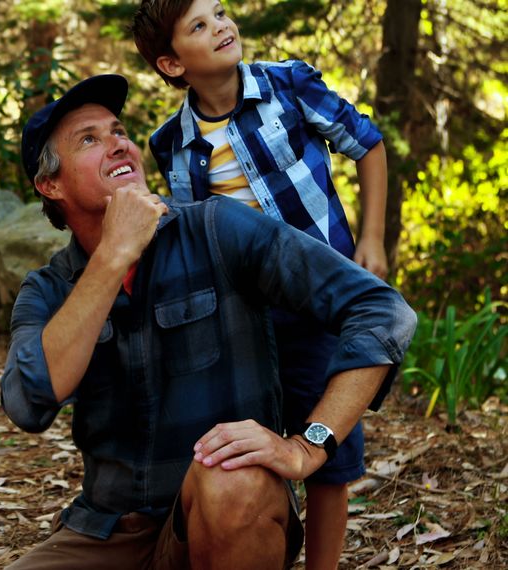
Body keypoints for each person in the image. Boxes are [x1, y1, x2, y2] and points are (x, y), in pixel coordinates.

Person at [1, 73, 415, 569]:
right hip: (109, 532)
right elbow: (30, 402)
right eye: (89, 139)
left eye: (119, 132)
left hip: (228, 517)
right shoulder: (46, 291)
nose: (118, 146)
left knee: (230, 476)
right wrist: (113, 255)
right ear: (50, 184)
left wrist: (309, 445)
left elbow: (382, 310)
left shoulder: (219, 229)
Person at [130, 2, 390, 567]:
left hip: (317, 309)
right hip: (239, 323)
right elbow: (190, 235)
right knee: (238, 449)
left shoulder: (289, 85)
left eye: (220, 12)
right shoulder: (169, 143)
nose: (222, 26)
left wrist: (372, 240)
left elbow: (367, 143)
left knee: (328, 454)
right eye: (200, 25)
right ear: (173, 64)